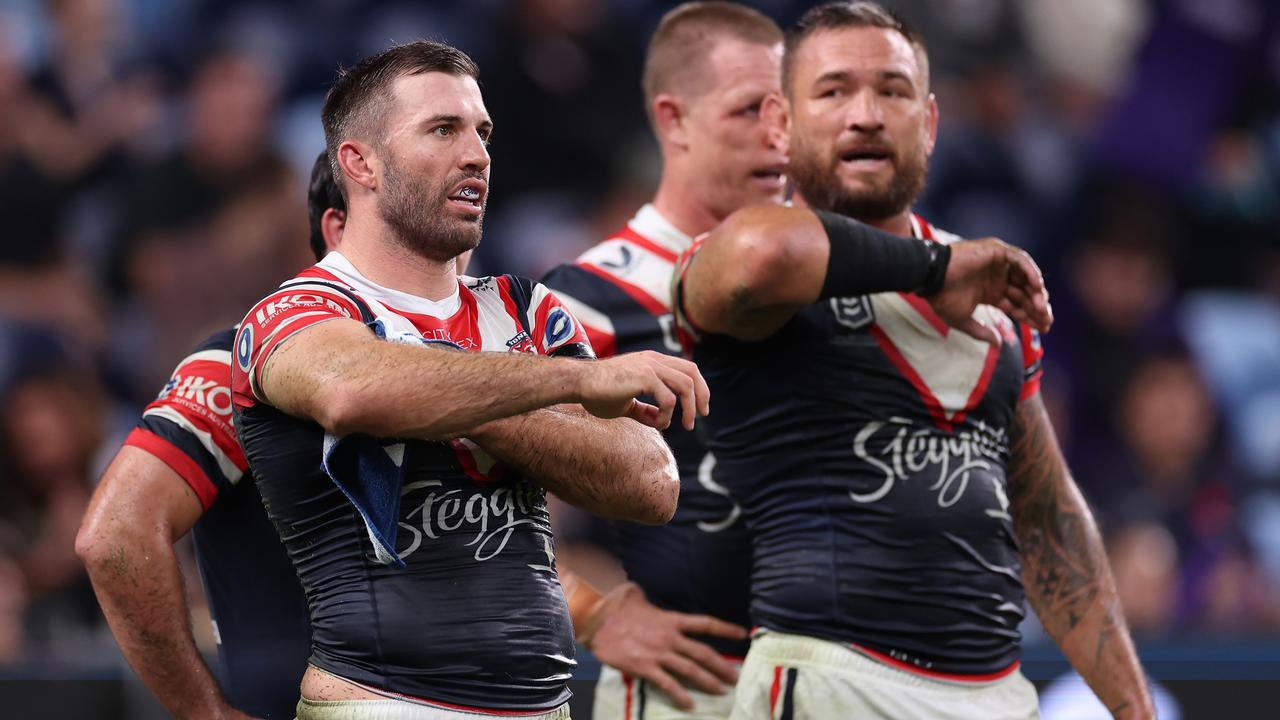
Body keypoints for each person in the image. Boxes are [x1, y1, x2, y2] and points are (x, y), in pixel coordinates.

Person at [673, 3, 1151, 718]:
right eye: (834, 91)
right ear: (780, 124)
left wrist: (1135, 711)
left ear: (928, 123)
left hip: (996, 694)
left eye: (892, 91)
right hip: (832, 680)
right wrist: (934, 268)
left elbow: (1051, 527)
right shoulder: (746, 256)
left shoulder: (993, 295)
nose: (866, 114)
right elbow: (766, 255)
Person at [230, 41, 711, 719]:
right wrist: (562, 386)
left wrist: (451, 391)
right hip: (384, 703)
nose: (477, 154)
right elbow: (355, 392)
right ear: (359, 162)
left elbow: (648, 484)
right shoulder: (297, 310)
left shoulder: (523, 307)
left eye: (482, 131)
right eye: (442, 130)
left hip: (542, 706)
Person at [540, 3, 785, 716]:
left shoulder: (831, 285)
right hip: (692, 692)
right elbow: (466, 502)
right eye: (748, 112)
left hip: (835, 679)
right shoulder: (588, 299)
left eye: (786, 113)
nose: (778, 138)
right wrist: (593, 611)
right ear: (674, 120)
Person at [76, 151, 348, 720]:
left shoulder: (479, 358)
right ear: (337, 229)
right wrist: (207, 713)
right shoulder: (236, 363)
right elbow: (115, 537)